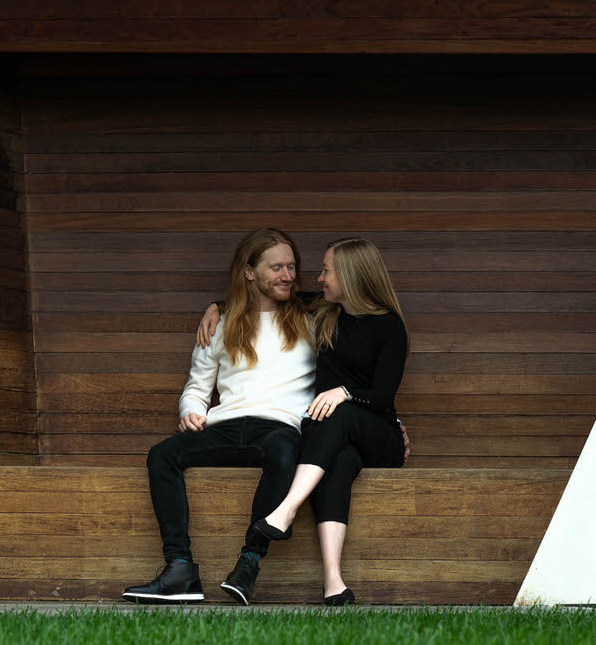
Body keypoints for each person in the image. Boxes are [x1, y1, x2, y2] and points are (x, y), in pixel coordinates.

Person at [198, 238, 409, 606]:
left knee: (331, 412)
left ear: (351, 276)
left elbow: (383, 396)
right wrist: (216, 307)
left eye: (326, 270)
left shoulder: (390, 327)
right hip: (333, 439)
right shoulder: (324, 310)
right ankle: (334, 582)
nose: (318, 277)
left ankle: (286, 509)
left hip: (379, 436)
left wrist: (345, 393)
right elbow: (259, 297)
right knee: (337, 459)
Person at [121, 228, 315, 605]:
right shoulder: (222, 323)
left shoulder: (312, 320)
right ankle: (179, 568)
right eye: (276, 267)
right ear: (249, 272)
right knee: (162, 454)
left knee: (288, 452)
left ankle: (249, 563)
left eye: (291, 267)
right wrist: (191, 412)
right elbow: (197, 387)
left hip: (279, 429)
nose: (287, 275)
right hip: (225, 426)